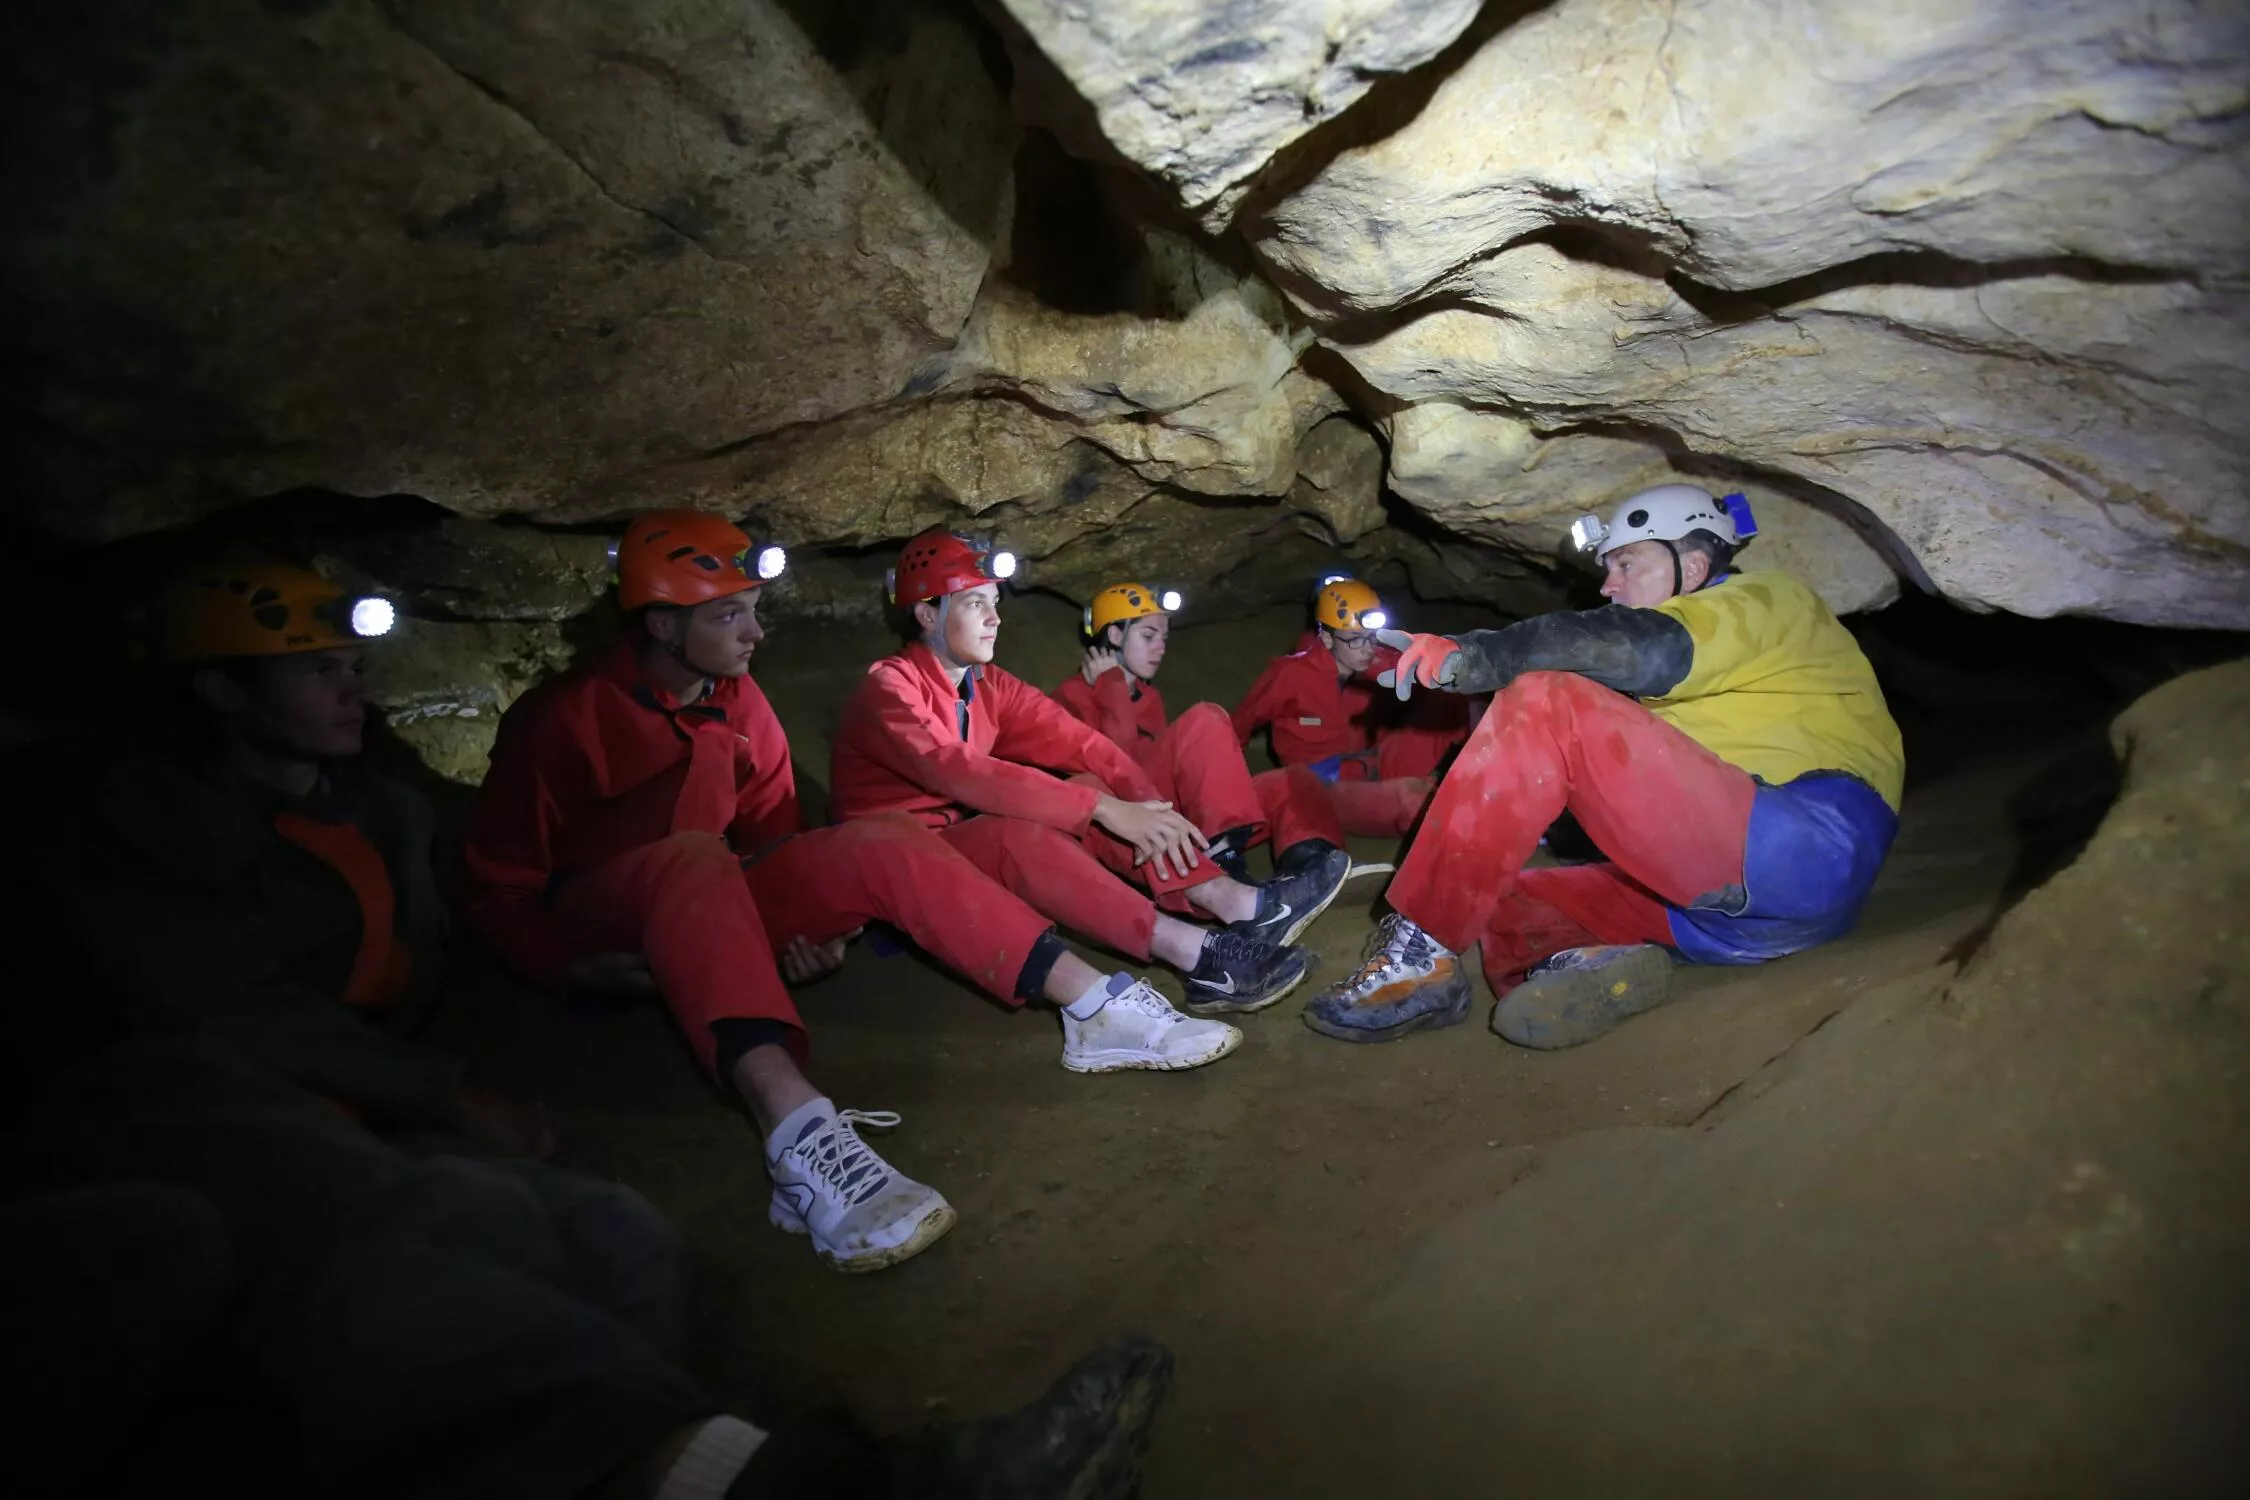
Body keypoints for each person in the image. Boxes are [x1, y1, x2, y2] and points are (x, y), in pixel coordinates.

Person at [461, 513, 1254, 1275]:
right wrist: (569, 970)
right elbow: (497, 891)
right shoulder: (564, 719)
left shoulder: (742, 705)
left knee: (882, 838)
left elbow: (780, 844)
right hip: (603, 921)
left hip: (712, 904)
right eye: (730, 615)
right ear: (664, 625)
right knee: (696, 858)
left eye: (754, 610)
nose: (755, 632)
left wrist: (808, 933)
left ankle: (1089, 1007)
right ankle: (797, 1138)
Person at [1301, 483, 1905, 1049]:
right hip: (1730, 920)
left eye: (1627, 564)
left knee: (1545, 697)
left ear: (1694, 567)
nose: (1609, 586)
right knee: (1503, 899)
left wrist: (1481, 654)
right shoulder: (1677, 694)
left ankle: (1420, 955)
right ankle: (1580, 965)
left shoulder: (1769, 601)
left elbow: (1647, 647)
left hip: (1810, 844)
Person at [829, 528, 1315, 1024]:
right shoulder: (889, 688)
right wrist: (1105, 810)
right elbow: (958, 770)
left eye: (995, 602)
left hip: (956, 848)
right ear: (928, 614)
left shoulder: (987, 685)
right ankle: (1196, 954)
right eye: (976, 604)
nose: (996, 618)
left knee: (1087, 786)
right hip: (891, 870)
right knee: (1025, 829)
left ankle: (1232, 901)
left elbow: (1085, 744)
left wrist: (1147, 810)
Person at [1051, 580, 1353, 941]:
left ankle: (1310, 868)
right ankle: (1230, 873)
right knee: (1205, 719)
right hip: (1131, 825)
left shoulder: (1149, 698)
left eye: (1164, 638)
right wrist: (1111, 687)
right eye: (1148, 636)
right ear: (1115, 635)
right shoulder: (1071, 696)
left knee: (1292, 780)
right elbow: (1115, 772)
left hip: (1178, 817)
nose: (1160, 648)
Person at [1230, 576, 1473, 837]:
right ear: (1327, 638)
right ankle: (1450, 815)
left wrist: (1438, 667)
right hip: (1322, 789)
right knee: (1417, 801)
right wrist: (1231, 790)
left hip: (1375, 762)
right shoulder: (1291, 675)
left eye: (1371, 638)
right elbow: (1239, 726)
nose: (1367, 649)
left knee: (1453, 697)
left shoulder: (1375, 662)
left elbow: (1425, 676)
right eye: (1355, 639)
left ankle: (1482, 780)